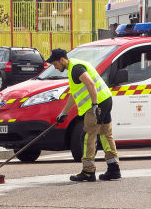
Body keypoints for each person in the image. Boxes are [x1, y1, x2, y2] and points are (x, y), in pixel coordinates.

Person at [50, 48, 122, 182]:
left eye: (55, 64)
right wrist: (64, 112)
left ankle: (88, 171)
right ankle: (113, 168)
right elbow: (74, 94)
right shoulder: (74, 67)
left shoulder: (76, 68)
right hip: (105, 99)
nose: (55, 67)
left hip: (96, 104)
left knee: (87, 135)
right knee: (106, 134)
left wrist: (94, 105)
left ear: (62, 60)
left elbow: (90, 83)